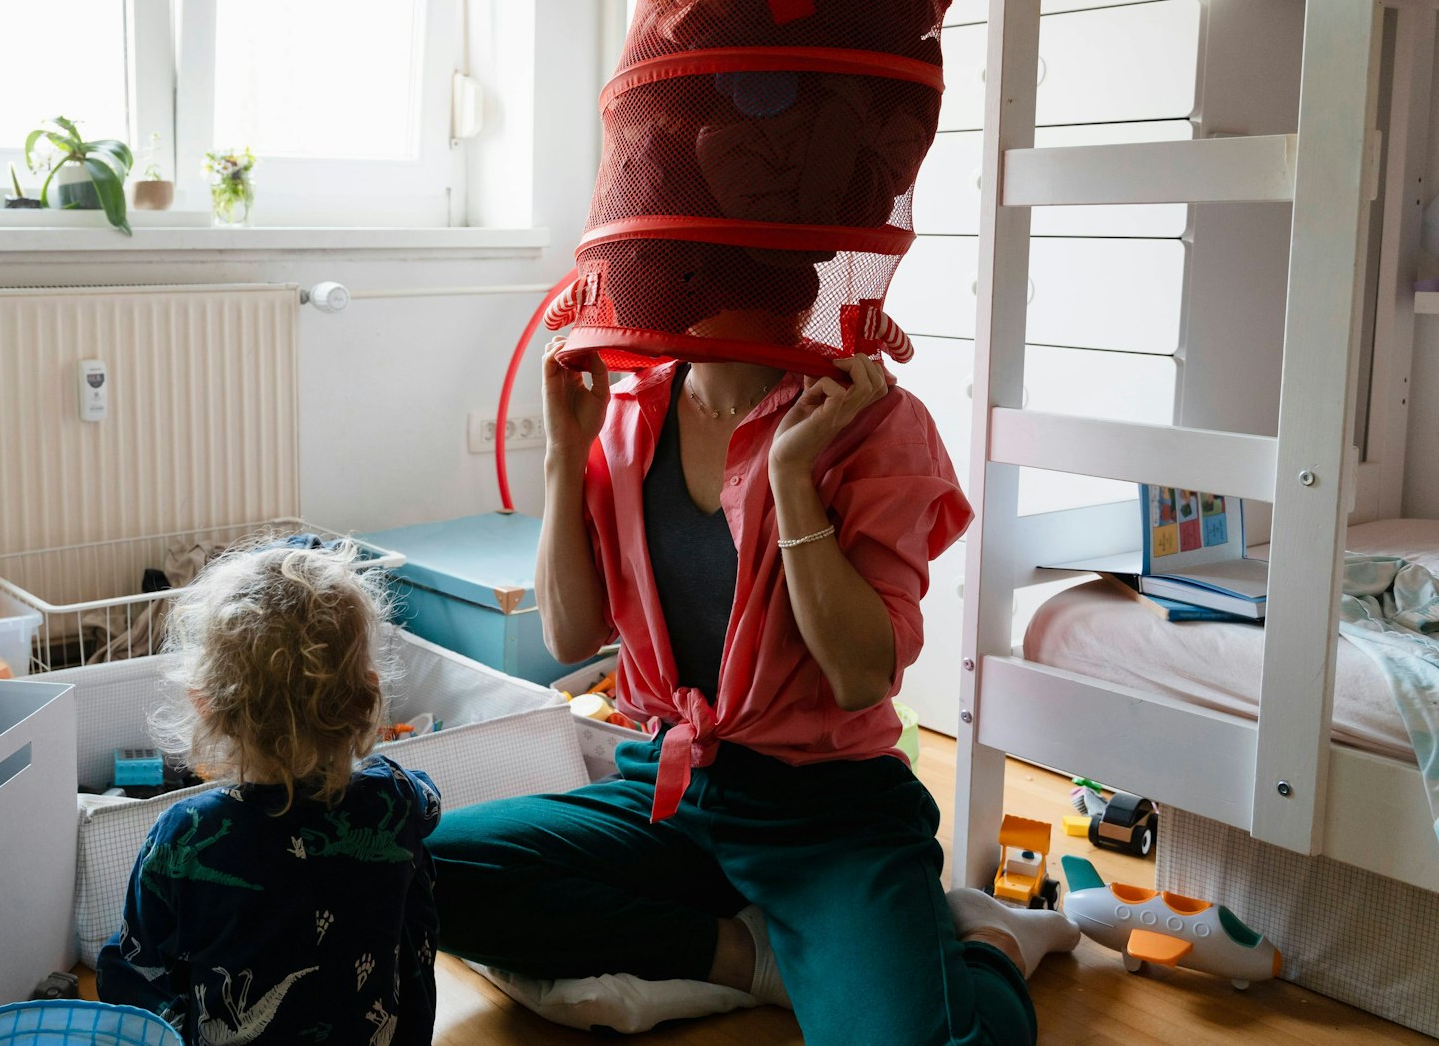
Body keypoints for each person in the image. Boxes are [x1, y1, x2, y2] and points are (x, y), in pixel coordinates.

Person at [425, 344, 1080, 1044]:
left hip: (830, 815)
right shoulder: (627, 417)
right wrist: (563, 450)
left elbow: (860, 678)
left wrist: (792, 474)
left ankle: (993, 938)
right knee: (418, 869)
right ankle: (750, 956)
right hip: (673, 796)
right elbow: (569, 635)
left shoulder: (868, 417)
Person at [97, 543, 441, 1046]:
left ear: (207, 705)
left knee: (125, 960)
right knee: (417, 861)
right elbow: (429, 803)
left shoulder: (186, 831)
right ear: (367, 696)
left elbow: (135, 965)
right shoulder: (396, 796)